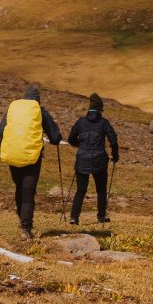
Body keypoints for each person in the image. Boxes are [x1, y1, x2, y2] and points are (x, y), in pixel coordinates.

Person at [0, 85, 62, 241]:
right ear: (37, 100)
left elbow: (0, 131)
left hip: (13, 155)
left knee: (19, 188)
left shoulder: (12, 110)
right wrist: (55, 138)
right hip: (32, 159)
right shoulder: (39, 111)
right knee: (28, 192)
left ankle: (22, 219)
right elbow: (55, 137)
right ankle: (25, 228)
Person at [66, 93, 119, 225]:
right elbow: (113, 140)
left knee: (80, 190)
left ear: (89, 109)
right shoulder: (104, 123)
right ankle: (101, 217)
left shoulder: (80, 122)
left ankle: (74, 217)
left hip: (82, 159)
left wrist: (81, 145)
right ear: (100, 109)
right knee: (101, 190)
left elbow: (71, 139)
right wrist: (115, 155)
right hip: (99, 160)